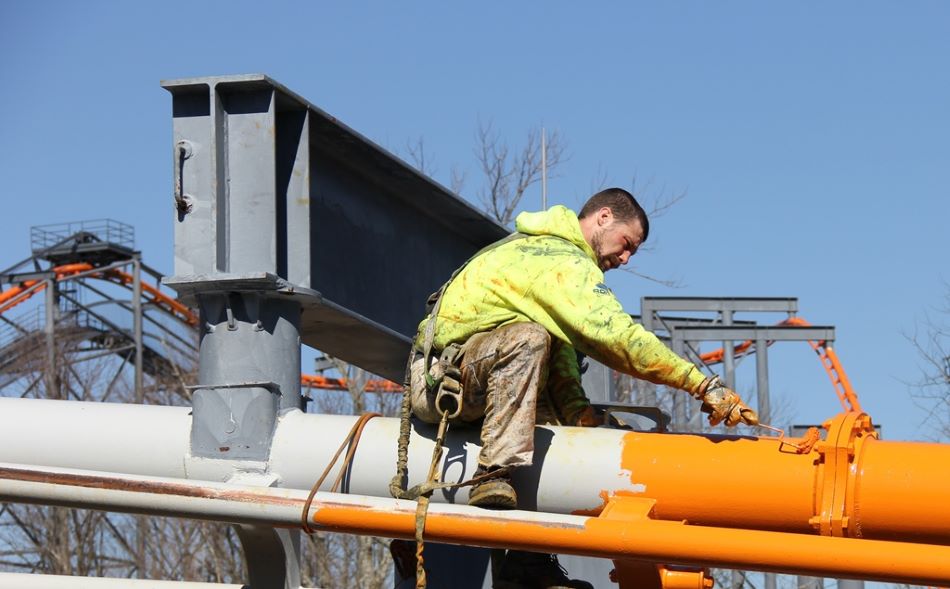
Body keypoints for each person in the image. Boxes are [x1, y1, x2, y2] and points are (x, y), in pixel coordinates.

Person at [407, 187, 758, 586]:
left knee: (556, 417)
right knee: (528, 339)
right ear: (603, 217)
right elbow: (613, 335)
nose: (624, 259)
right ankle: (492, 474)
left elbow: (562, 362)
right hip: (443, 385)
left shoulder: (551, 267)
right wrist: (700, 383)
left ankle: (526, 564)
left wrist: (581, 420)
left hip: (481, 376)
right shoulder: (556, 260)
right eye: (627, 245)